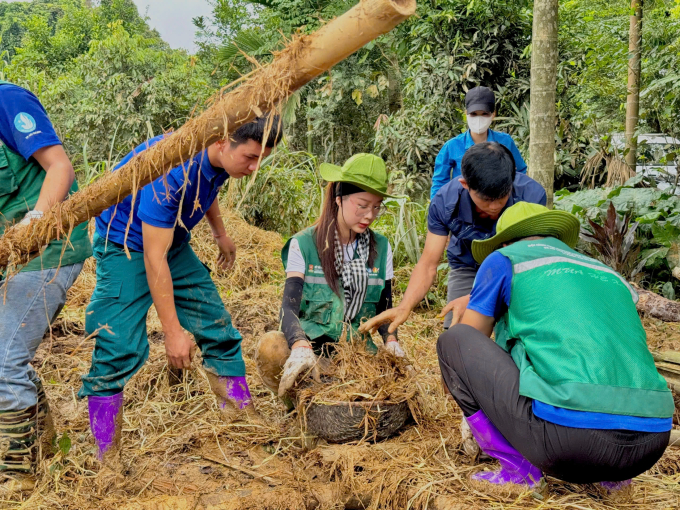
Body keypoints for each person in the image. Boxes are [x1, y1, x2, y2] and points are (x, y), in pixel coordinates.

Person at [80, 116, 281, 463]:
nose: (254, 168)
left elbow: (207, 187)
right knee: (117, 346)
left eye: (260, 159)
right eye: (250, 157)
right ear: (221, 142)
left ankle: (241, 423)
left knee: (217, 325)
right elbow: (153, 258)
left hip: (169, 238)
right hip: (125, 242)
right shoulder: (170, 171)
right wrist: (173, 333)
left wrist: (220, 232)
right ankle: (105, 457)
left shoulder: (218, 155)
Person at [436, 201, 674, 487]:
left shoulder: (506, 259)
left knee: (454, 341)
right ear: (555, 238)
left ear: (507, 241)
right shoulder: (607, 273)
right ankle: (612, 482)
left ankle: (518, 470)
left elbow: (470, 339)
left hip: (569, 443)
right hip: (649, 446)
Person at [0, 81, 92, 490]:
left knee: (3, 361)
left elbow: (60, 167)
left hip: (51, 247)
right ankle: (41, 436)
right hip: (10, 260)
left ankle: (17, 474)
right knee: (7, 353)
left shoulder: (8, 101)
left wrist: (34, 223)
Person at [360, 142, 546, 338]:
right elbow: (428, 264)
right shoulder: (445, 202)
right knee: (458, 337)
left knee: (519, 333)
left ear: (512, 180)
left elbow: (529, 261)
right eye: (486, 199)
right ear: (465, 185)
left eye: (501, 198)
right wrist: (404, 306)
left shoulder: (531, 196)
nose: (494, 206)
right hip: (467, 264)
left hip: (514, 268)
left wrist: (476, 298)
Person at [255, 154, 405, 397]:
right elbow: (288, 308)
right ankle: (296, 405)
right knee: (272, 347)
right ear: (339, 199)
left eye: (376, 206)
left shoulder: (382, 248)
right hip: (313, 354)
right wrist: (300, 346)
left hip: (358, 358)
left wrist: (392, 342)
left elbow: (384, 310)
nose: (370, 215)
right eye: (362, 205)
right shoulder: (303, 244)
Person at [430, 86, 527, 200]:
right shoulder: (452, 146)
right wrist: (437, 209)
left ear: (493, 114)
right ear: (466, 113)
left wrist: (514, 198)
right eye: (474, 114)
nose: (479, 118)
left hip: (498, 204)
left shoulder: (505, 141)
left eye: (484, 114)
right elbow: (440, 181)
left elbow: (521, 172)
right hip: (463, 205)